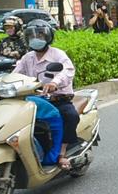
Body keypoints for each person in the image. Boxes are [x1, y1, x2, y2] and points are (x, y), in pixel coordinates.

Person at [12, 20, 78, 169]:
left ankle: (61, 153)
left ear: (48, 37)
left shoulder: (58, 54)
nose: (36, 39)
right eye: (32, 36)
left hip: (58, 99)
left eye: (40, 35)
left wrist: (55, 83)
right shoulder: (27, 58)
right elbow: (15, 75)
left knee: (70, 116)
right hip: (35, 100)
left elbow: (67, 71)